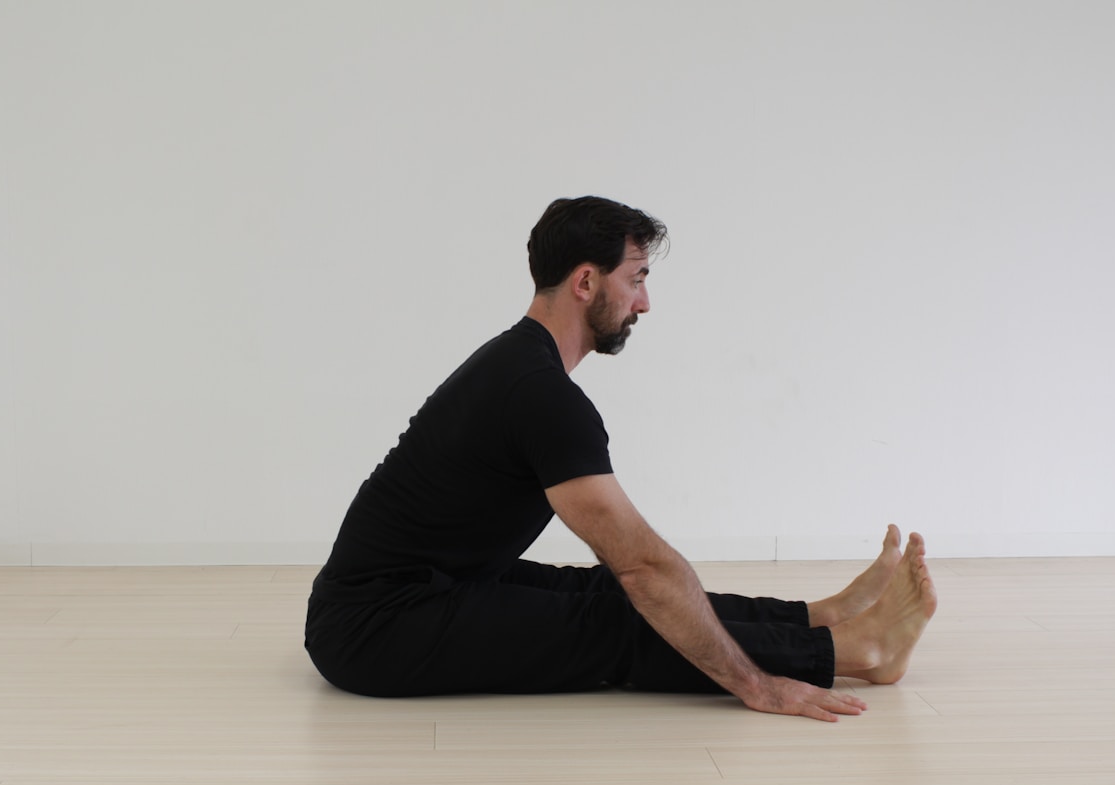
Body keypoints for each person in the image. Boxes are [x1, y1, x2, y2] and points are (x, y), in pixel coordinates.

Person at [305, 196, 937, 722]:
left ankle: (819, 619)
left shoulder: (519, 364)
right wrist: (758, 686)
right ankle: (858, 651)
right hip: (375, 629)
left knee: (599, 589)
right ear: (586, 282)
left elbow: (632, 573)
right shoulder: (540, 395)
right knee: (618, 618)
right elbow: (644, 567)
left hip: (425, 589)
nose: (644, 302)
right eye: (635, 279)